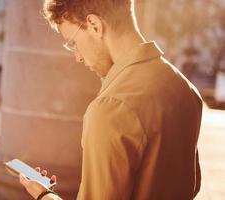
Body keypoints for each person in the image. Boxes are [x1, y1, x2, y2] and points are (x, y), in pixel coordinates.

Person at [19, 0, 203, 199]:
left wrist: (44, 195)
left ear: (94, 25)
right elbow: (192, 185)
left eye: (73, 43)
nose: (77, 57)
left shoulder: (111, 108)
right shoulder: (185, 88)